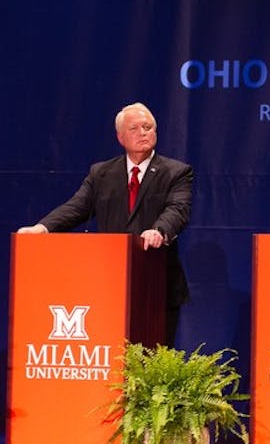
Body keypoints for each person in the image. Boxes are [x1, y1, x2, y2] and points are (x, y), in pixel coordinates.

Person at [17, 102, 193, 344]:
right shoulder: (101, 173)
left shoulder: (176, 172)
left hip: (156, 283)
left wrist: (159, 230)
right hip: (111, 283)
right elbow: (77, 206)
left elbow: (178, 209)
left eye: (148, 127)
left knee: (153, 360)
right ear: (120, 137)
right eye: (135, 128)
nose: (143, 132)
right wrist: (42, 227)